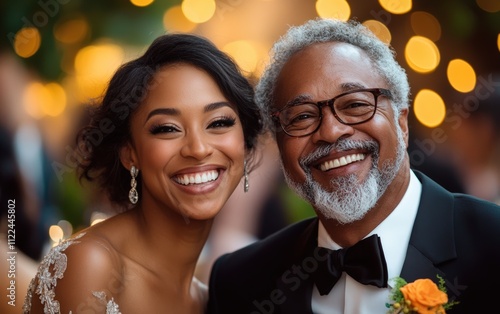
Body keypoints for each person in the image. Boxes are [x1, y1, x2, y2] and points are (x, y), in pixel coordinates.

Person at [207, 18, 500, 314]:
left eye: (355, 105)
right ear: (279, 147)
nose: (331, 131)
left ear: (402, 122)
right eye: (302, 117)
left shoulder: (493, 245)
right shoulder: (240, 283)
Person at [23, 33, 263, 313]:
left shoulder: (213, 299)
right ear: (129, 153)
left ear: (244, 142)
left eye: (219, 122)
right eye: (167, 128)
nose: (198, 149)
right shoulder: (89, 265)